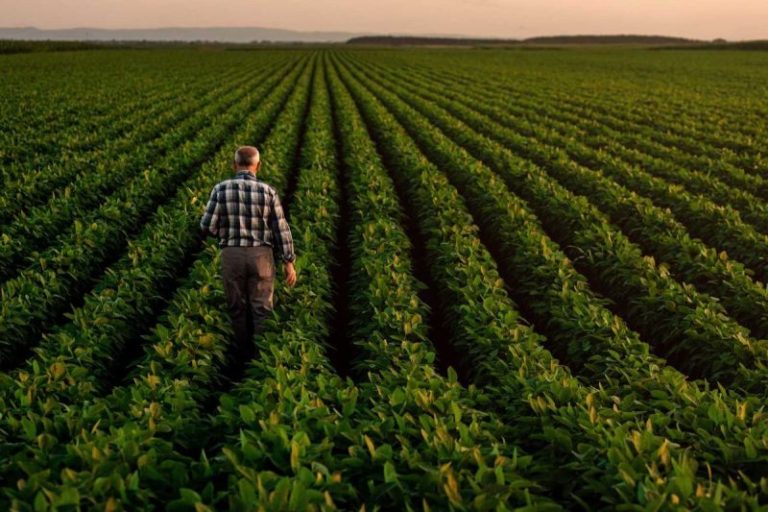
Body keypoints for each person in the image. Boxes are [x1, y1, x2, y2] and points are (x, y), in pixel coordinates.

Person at [199, 145, 297, 360]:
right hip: (261, 256)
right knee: (262, 309)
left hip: (232, 254)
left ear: (234, 165)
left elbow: (206, 226)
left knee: (236, 307)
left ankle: (241, 357)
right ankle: (261, 360)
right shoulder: (268, 191)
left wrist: (224, 232)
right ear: (258, 166)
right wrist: (288, 261)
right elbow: (281, 229)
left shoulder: (220, 189)